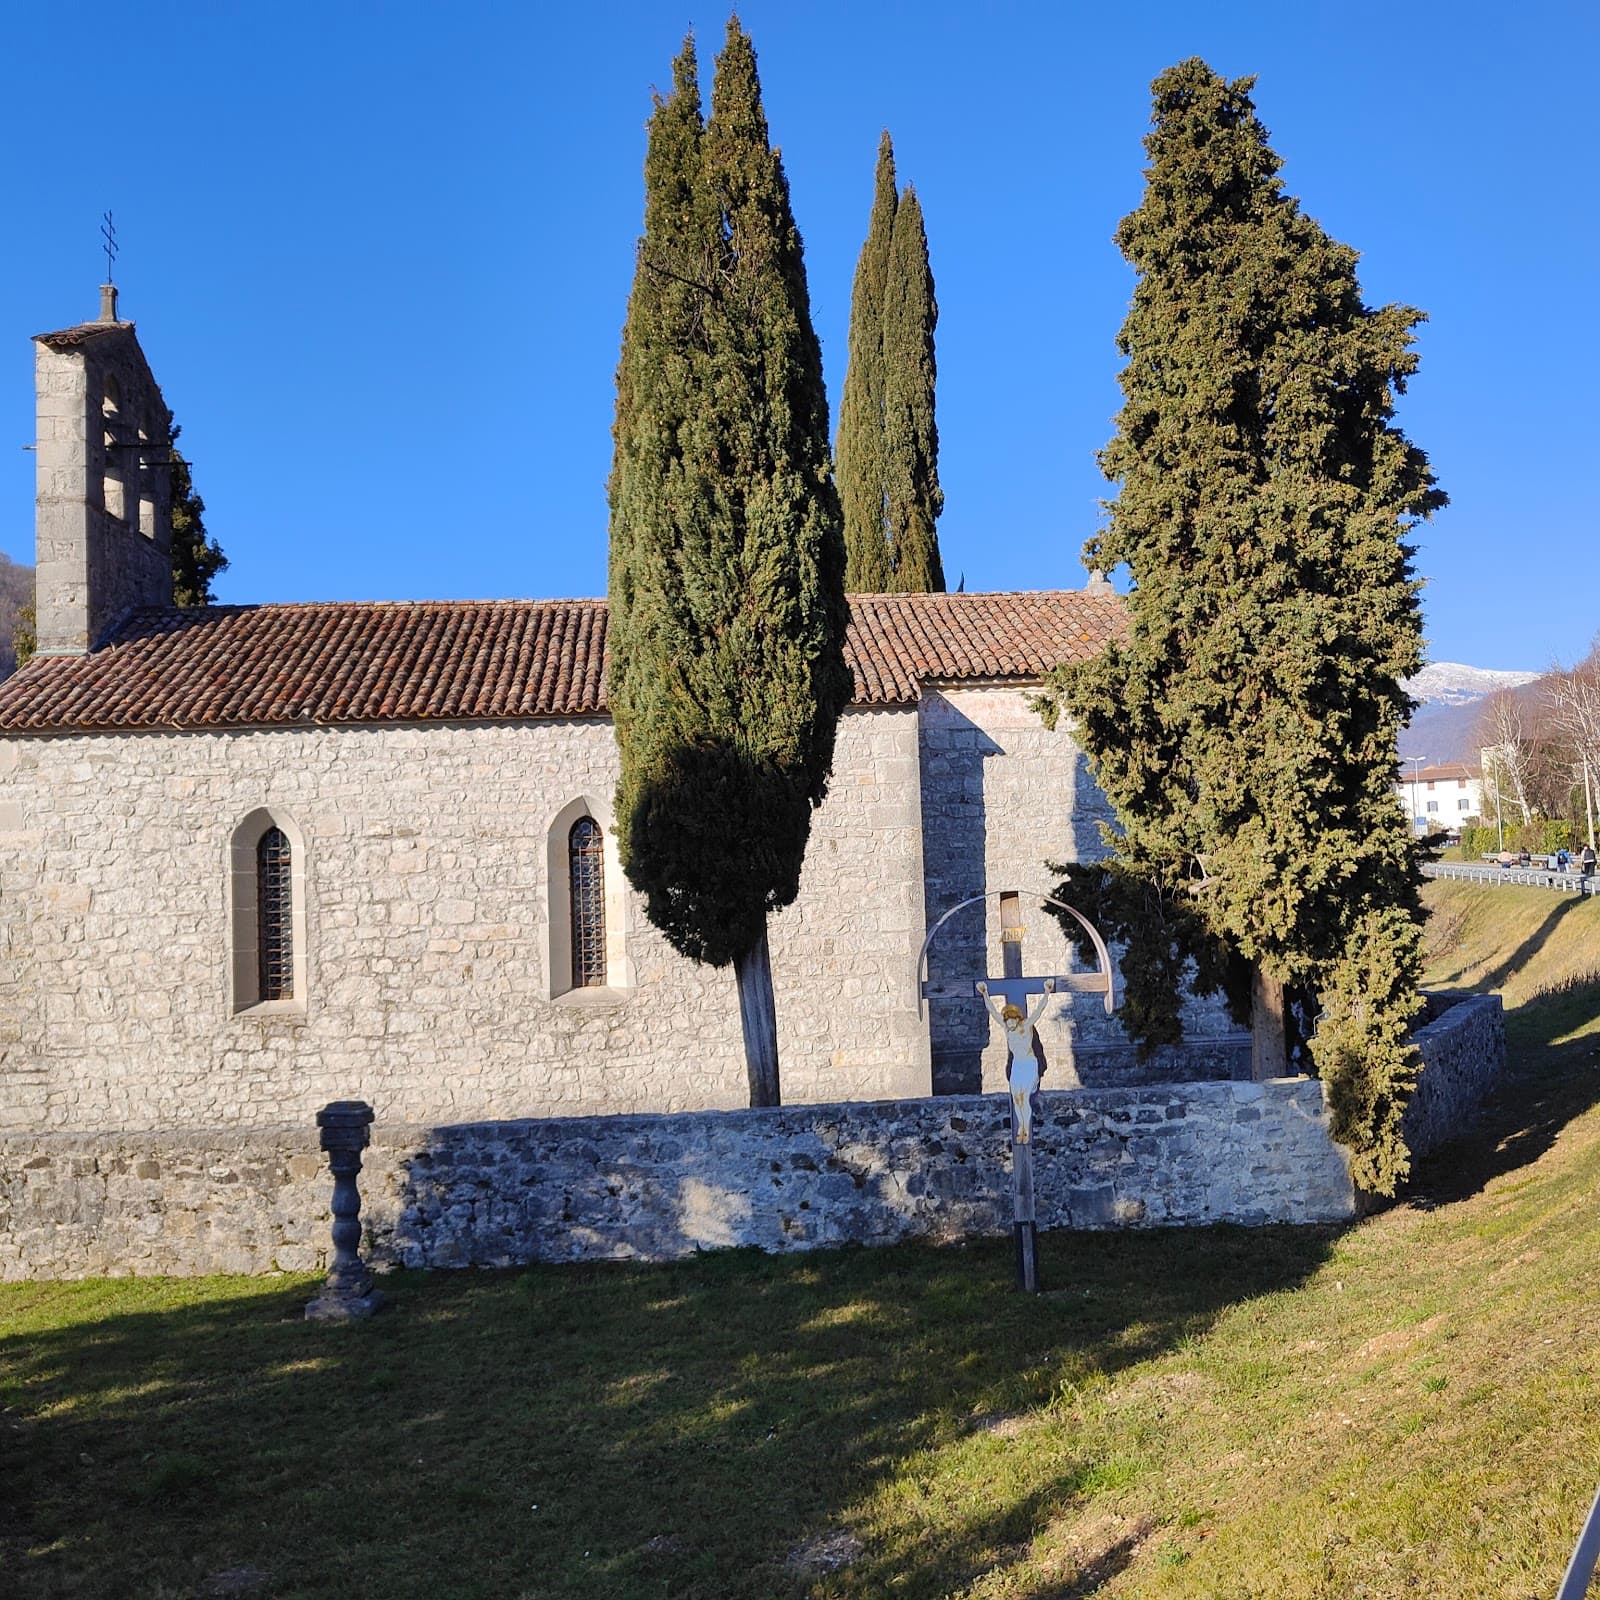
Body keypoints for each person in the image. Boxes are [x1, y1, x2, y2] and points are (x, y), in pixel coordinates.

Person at [977, 979, 1056, 1146]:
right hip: (1017, 1066)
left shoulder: (1026, 1026)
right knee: (1017, 1099)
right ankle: (1021, 1125)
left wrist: (1047, 992)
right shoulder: (1007, 1029)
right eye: (1007, 1020)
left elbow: (1039, 1010)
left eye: (1012, 1020)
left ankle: (1024, 1129)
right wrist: (985, 994)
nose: (1010, 1023)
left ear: (1017, 1019)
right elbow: (992, 1011)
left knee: (1025, 1098)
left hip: (1029, 1064)